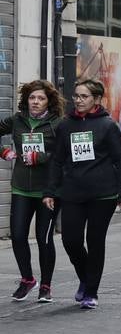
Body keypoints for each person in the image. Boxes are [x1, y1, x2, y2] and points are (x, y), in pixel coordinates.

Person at [42, 80, 121, 309]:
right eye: (76, 96)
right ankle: (85, 277)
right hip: (72, 192)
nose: (78, 100)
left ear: (96, 99)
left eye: (84, 96)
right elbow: (57, 160)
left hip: (103, 194)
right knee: (71, 240)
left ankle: (91, 292)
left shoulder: (107, 125)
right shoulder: (65, 125)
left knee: (95, 241)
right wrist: (50, 190)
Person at [3, 81, 63, 302]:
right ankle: (27, 279)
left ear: (49, 101)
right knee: (18, 236)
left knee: (44, 238)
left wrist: (41, 157)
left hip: (47, 190)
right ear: (26, 100)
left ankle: (46, 285)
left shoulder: (57, 123)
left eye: (41, 98)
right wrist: (4, 151)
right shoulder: (17, 120)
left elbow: (62, 154)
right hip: (21, 188)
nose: (35, 102)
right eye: (32, 98)